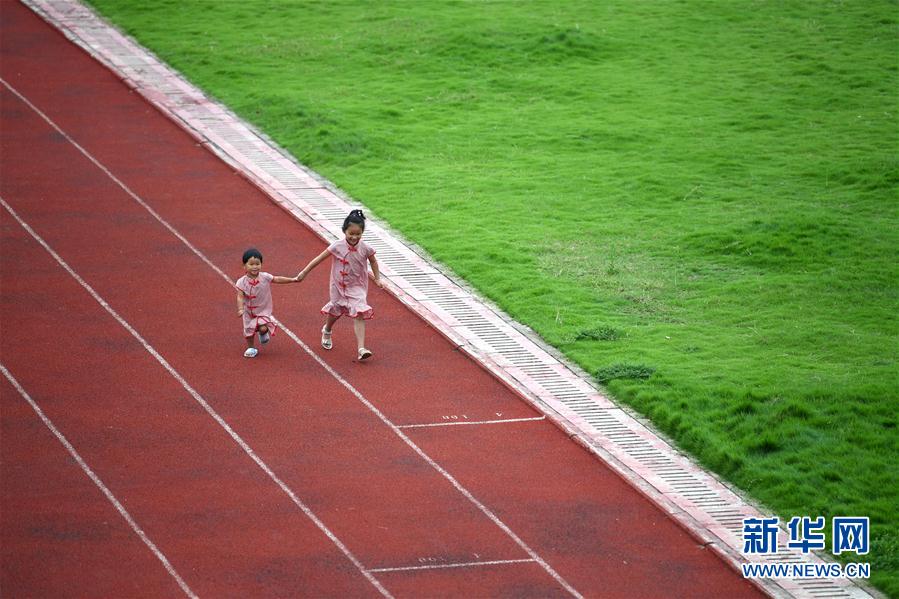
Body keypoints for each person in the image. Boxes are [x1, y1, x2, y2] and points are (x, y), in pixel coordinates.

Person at [296, 209, 383, 361]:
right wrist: (304, 272)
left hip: (357, 286)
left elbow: (373, 261)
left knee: (359, 312)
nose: (354, 237)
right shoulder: (336, 246)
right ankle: (327, 330)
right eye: (351, 233)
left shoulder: (365, 248)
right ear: (344, 231)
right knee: (336, 310)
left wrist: (377, 278)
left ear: (362, 233)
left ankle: (361, 348)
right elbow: (318, 259)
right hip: (338, 286)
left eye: (358, 234)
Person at [236, 248, 299, 358]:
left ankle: (263, 332)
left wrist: (292, 280)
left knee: (263, 327)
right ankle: (251, 347)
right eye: (251, 264)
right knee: (249, 331)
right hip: (248, 312)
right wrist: (241, 308)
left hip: (262, 310)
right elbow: (240, 296)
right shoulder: (242, 282)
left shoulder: (265, 277)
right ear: (244, 266)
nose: (255, 267)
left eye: (257, 264)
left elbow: (277, 279)